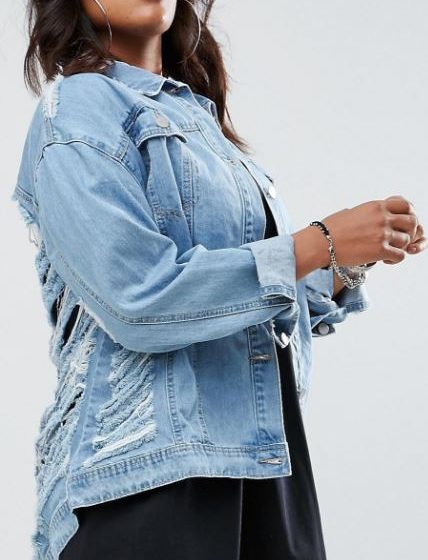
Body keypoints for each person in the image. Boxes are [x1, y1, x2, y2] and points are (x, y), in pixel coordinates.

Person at [12, 1, 426, 559]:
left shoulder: (200, 122)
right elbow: (140, 298)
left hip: (266, 462)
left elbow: (240, 308)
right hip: (149, 476)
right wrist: (319, 241)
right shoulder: (78, 109)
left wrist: (346, 259)